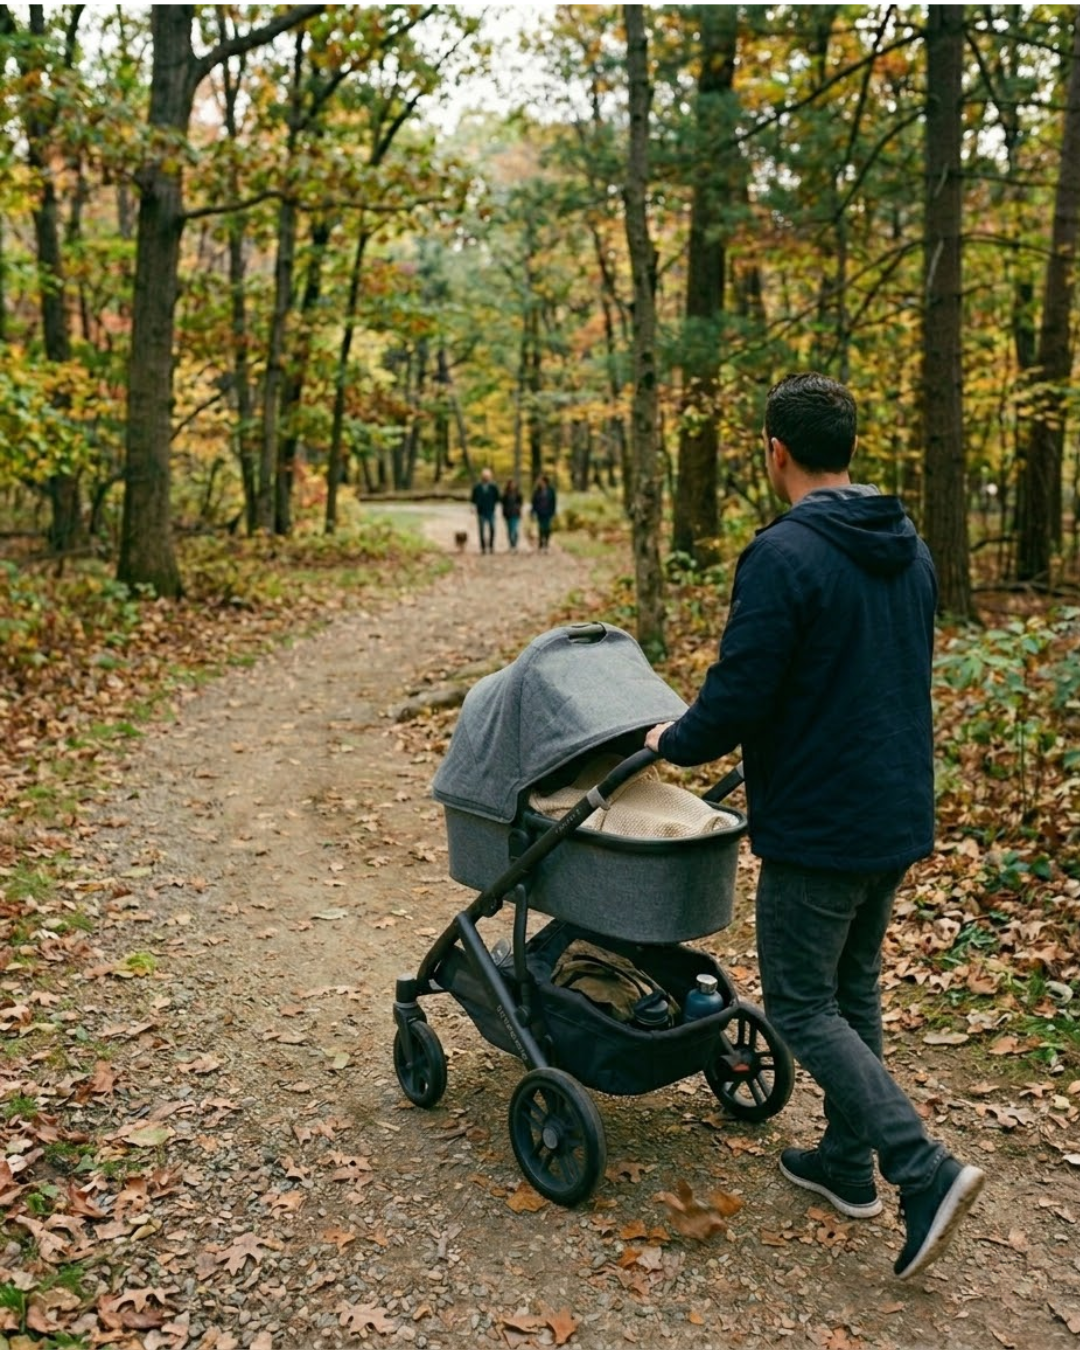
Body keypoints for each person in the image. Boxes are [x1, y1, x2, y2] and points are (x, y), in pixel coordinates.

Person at [645, 372, 984, 1282]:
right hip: (895, 807)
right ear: (849, 447)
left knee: (800, 1003)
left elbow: (742, 691)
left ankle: (921, 1168)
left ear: (775, 451)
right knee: (853, 989)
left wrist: (673, 740)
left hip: (822, 823)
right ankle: (845, 1163)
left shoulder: (784, 555)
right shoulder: (906, 547)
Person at [470, 467, 500, 554]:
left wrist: (497, 508)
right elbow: (473, 499)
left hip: (491, 511)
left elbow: (497, 498)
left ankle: (491, 546)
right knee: (481, 530)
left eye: (487, 476)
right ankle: (483, 547)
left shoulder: (494, 487)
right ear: (481, 477)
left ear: (490, 477)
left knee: (492, 529)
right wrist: (473, 507)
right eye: (484, 476)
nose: (486, 478)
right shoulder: (477, 487)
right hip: (481, 511)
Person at [531, 475, 556, 551]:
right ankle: (541, 543)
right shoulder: (537, 491)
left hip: (548, 512)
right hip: (540, 512)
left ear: (545, 481)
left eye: (541, 481)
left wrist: (553, 511)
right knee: (541, 528)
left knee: (547, 528)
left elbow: (553, 502)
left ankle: (546, 543)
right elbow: (534, 502)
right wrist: (533, 511)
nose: (539, 482)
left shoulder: (551, 490)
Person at [502, 479, 523, 551]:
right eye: (511, 484)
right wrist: (504, 513)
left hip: (515, 514)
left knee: (514, 529)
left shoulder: (518, 494)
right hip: (508, 514)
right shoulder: (505, 494)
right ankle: (511, 544)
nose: (512, 486)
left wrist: (519, 509)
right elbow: (503, 504)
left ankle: (514, 544)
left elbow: (521, 503)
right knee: (509, 530)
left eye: (513, 484)